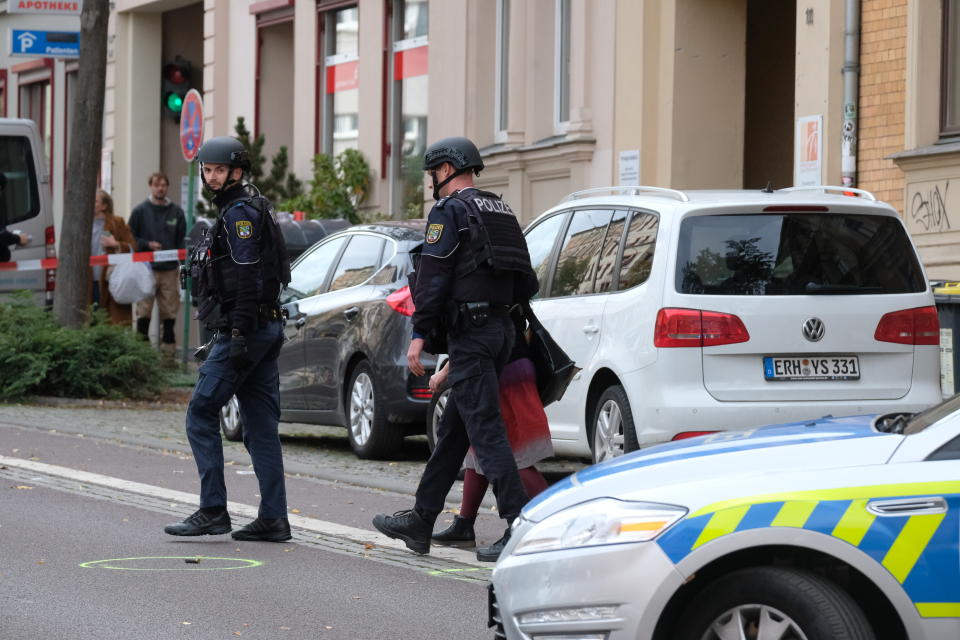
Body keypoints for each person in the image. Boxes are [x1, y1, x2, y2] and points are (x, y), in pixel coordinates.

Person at [372, 136, 540, 562]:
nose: (432, 180)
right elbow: (527, 280)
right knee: (454, 433)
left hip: (473, 334)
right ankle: (421, 520)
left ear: (446, 169)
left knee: (485, 430)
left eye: (433, 172)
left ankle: (519, 524)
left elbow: (433, 276)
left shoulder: (449, 211)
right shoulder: (500, 209)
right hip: (500, 329)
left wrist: (420, 335)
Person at [163, 136, 292, 542]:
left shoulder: (240, 213)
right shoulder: (250, 206)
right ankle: (273, 518)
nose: (212, 176)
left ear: (237, 172)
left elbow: (248, 277)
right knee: (260, 428)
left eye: (220, 170)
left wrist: (236, 334)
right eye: (208, 169)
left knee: (200, 412)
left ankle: (213, 510)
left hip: (247, 330)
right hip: (264, 328)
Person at [429, 312, 553, 545]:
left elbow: (479, 331)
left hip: (505, 370)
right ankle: (464, 525)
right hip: (502, 364)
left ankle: (555, 523)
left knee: (515, 456)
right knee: (478, 449)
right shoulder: (502, 279)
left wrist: (445, 371)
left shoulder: (480, 281)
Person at [128, 172, 186, 357]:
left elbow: (182, 242)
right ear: (151, 187)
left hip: (169, 269)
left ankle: (168, 356)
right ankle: (142, 354)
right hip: (146, 268)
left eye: (163, 185)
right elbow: (130, 238)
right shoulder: (140, 211)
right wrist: (147, 244)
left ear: (167, 187)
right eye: (156, 185)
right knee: (143, 311)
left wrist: (183, 266)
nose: (160, 188)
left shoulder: (176, 212)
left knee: (169, 312)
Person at [88, 190, 136, 325]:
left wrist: (116, 244)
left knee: (111, 322)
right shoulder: (82, 224)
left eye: (95, 201)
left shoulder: (117, 223)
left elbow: (133, 248)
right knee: (90, 322)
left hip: (111, 280)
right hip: (88, 282)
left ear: (104, 206)